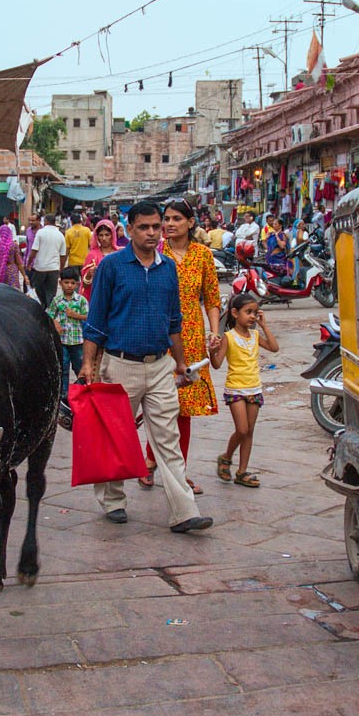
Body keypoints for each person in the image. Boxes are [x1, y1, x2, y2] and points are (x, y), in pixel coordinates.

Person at [80, 201, 211, 534]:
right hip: (120, 365)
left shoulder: (168, 269)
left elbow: (174, 321)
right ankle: (113, 501)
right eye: (144, 227)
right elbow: (95, 320)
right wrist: (88, 364)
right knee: (115, 436)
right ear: (130, 229)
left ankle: (184, 512)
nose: (152, 233)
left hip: (160, 366)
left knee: (168, 440)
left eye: (156, 226)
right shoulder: (112, 266)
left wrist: (180, 364)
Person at [141, 199, 221, 495]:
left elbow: (211, 298)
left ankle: (178, 471)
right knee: (160, 404)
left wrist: (215, 332)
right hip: (159, 337)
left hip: (192, 339)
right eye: (167, 219)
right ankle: (150, 461)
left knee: (183, 409)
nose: (169, 224)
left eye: (176, 219)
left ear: (190, 222)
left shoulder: (203, 255)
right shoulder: (155, 253)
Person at [208, 292, 278, 488]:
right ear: (235, 313)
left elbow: (274, 348)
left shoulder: (255, 336)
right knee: (242, 429)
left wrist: (264, 326)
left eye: (255, 313)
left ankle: (242, 471)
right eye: (248, 312)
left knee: (249, 432)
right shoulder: (228, 337)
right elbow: (217, 364)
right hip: (236, 389)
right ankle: (226, 456)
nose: (253, 316)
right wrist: (212, 352)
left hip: (254, 388)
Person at [47, 266, 88, 400]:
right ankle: (64, 395)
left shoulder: (81, 300)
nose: (69, 286)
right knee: (63, 368)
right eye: (66, 282)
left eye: (72, 283)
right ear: (60, 283)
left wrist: (76, 315)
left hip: (78, 341)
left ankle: (82, 391)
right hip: (62, 341)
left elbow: (88, 317)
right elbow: (48, 315)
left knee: (79, 367)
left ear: (77, 284)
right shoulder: (57, 301)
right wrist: (55, 322)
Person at [30, 214, 67, 308]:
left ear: (46, 221)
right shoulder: (60, 235)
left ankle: (42, 307)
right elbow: (63, 255)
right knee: (51, 292)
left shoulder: (40, 233)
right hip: (53, 269)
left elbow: (34, 250)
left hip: (40, 268)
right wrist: (60, 269)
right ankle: (49, 310)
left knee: (39, 290)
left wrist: (29, 263)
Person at [80, 218, 119, 299]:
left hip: (117, 296)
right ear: (97, 237)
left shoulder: (120, 254)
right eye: (101, 235)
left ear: (113, 235)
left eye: (107, 235)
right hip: (98, 297)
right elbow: (85, 285)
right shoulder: (92, 255)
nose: (104, 238)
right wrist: (89, 275)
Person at [0, 220, 28, 292]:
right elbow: (19, 263)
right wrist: (24, 275)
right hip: (12, 272)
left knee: (0, 292)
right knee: (13, 292)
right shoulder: (13, 245)